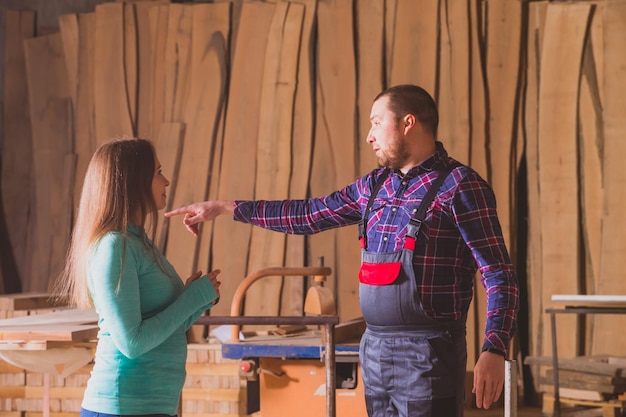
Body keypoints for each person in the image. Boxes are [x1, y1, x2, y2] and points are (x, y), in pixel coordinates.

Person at [165, 85, 519, 417]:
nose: (370, 136)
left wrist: (494, 347)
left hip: (429, 356)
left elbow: (499, 273)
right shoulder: (373, 187)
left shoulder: (460, 186)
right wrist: (228, 208)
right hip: (375, 351)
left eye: (377, 123)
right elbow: (307, 214)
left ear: (408, 123)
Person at [56, 138, 222, 417]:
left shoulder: (137, 242)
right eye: (158, 172)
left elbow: (164, 332)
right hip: (121, 407)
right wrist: (191, 299)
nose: (166, 181)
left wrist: (195, 301)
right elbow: (132, 343)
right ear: (132, 180)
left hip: (151, 407)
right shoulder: (113, 246)